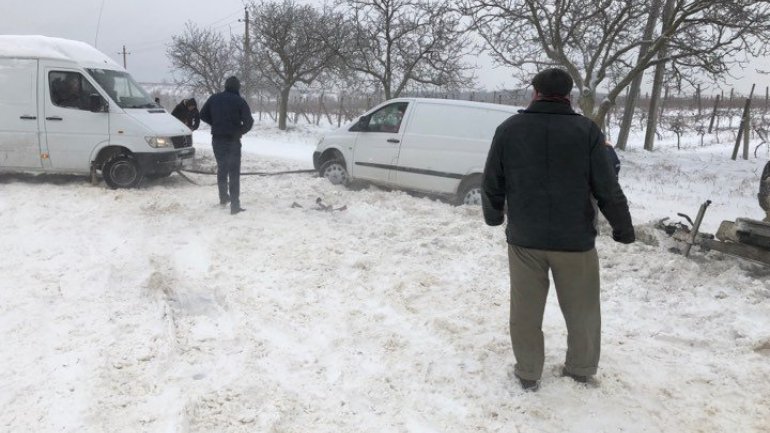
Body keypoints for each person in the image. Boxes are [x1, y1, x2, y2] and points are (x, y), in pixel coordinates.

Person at [481, 68, 635, 391]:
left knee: (525, 311)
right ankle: (580, 369)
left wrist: (494, 216)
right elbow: (607, 186)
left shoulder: (508, 130)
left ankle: (528, 372)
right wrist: (622, 228)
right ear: (569, 96)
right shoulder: (587, 132)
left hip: (525, 239)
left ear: (535, 93)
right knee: (583, 310)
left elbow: (492, 181)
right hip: (575, 241)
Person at [199, 76, 254, 215]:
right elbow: (249, 122)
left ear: (225, 85)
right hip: (233, 141)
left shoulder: (214, 98)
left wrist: (216, 123)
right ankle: (235, 205)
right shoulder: (239, 101)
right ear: (237, 87)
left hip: (217, 140)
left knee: (222, 168)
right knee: (234, 172)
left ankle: (223, 197)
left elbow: (203, 114)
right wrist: (239, 131)